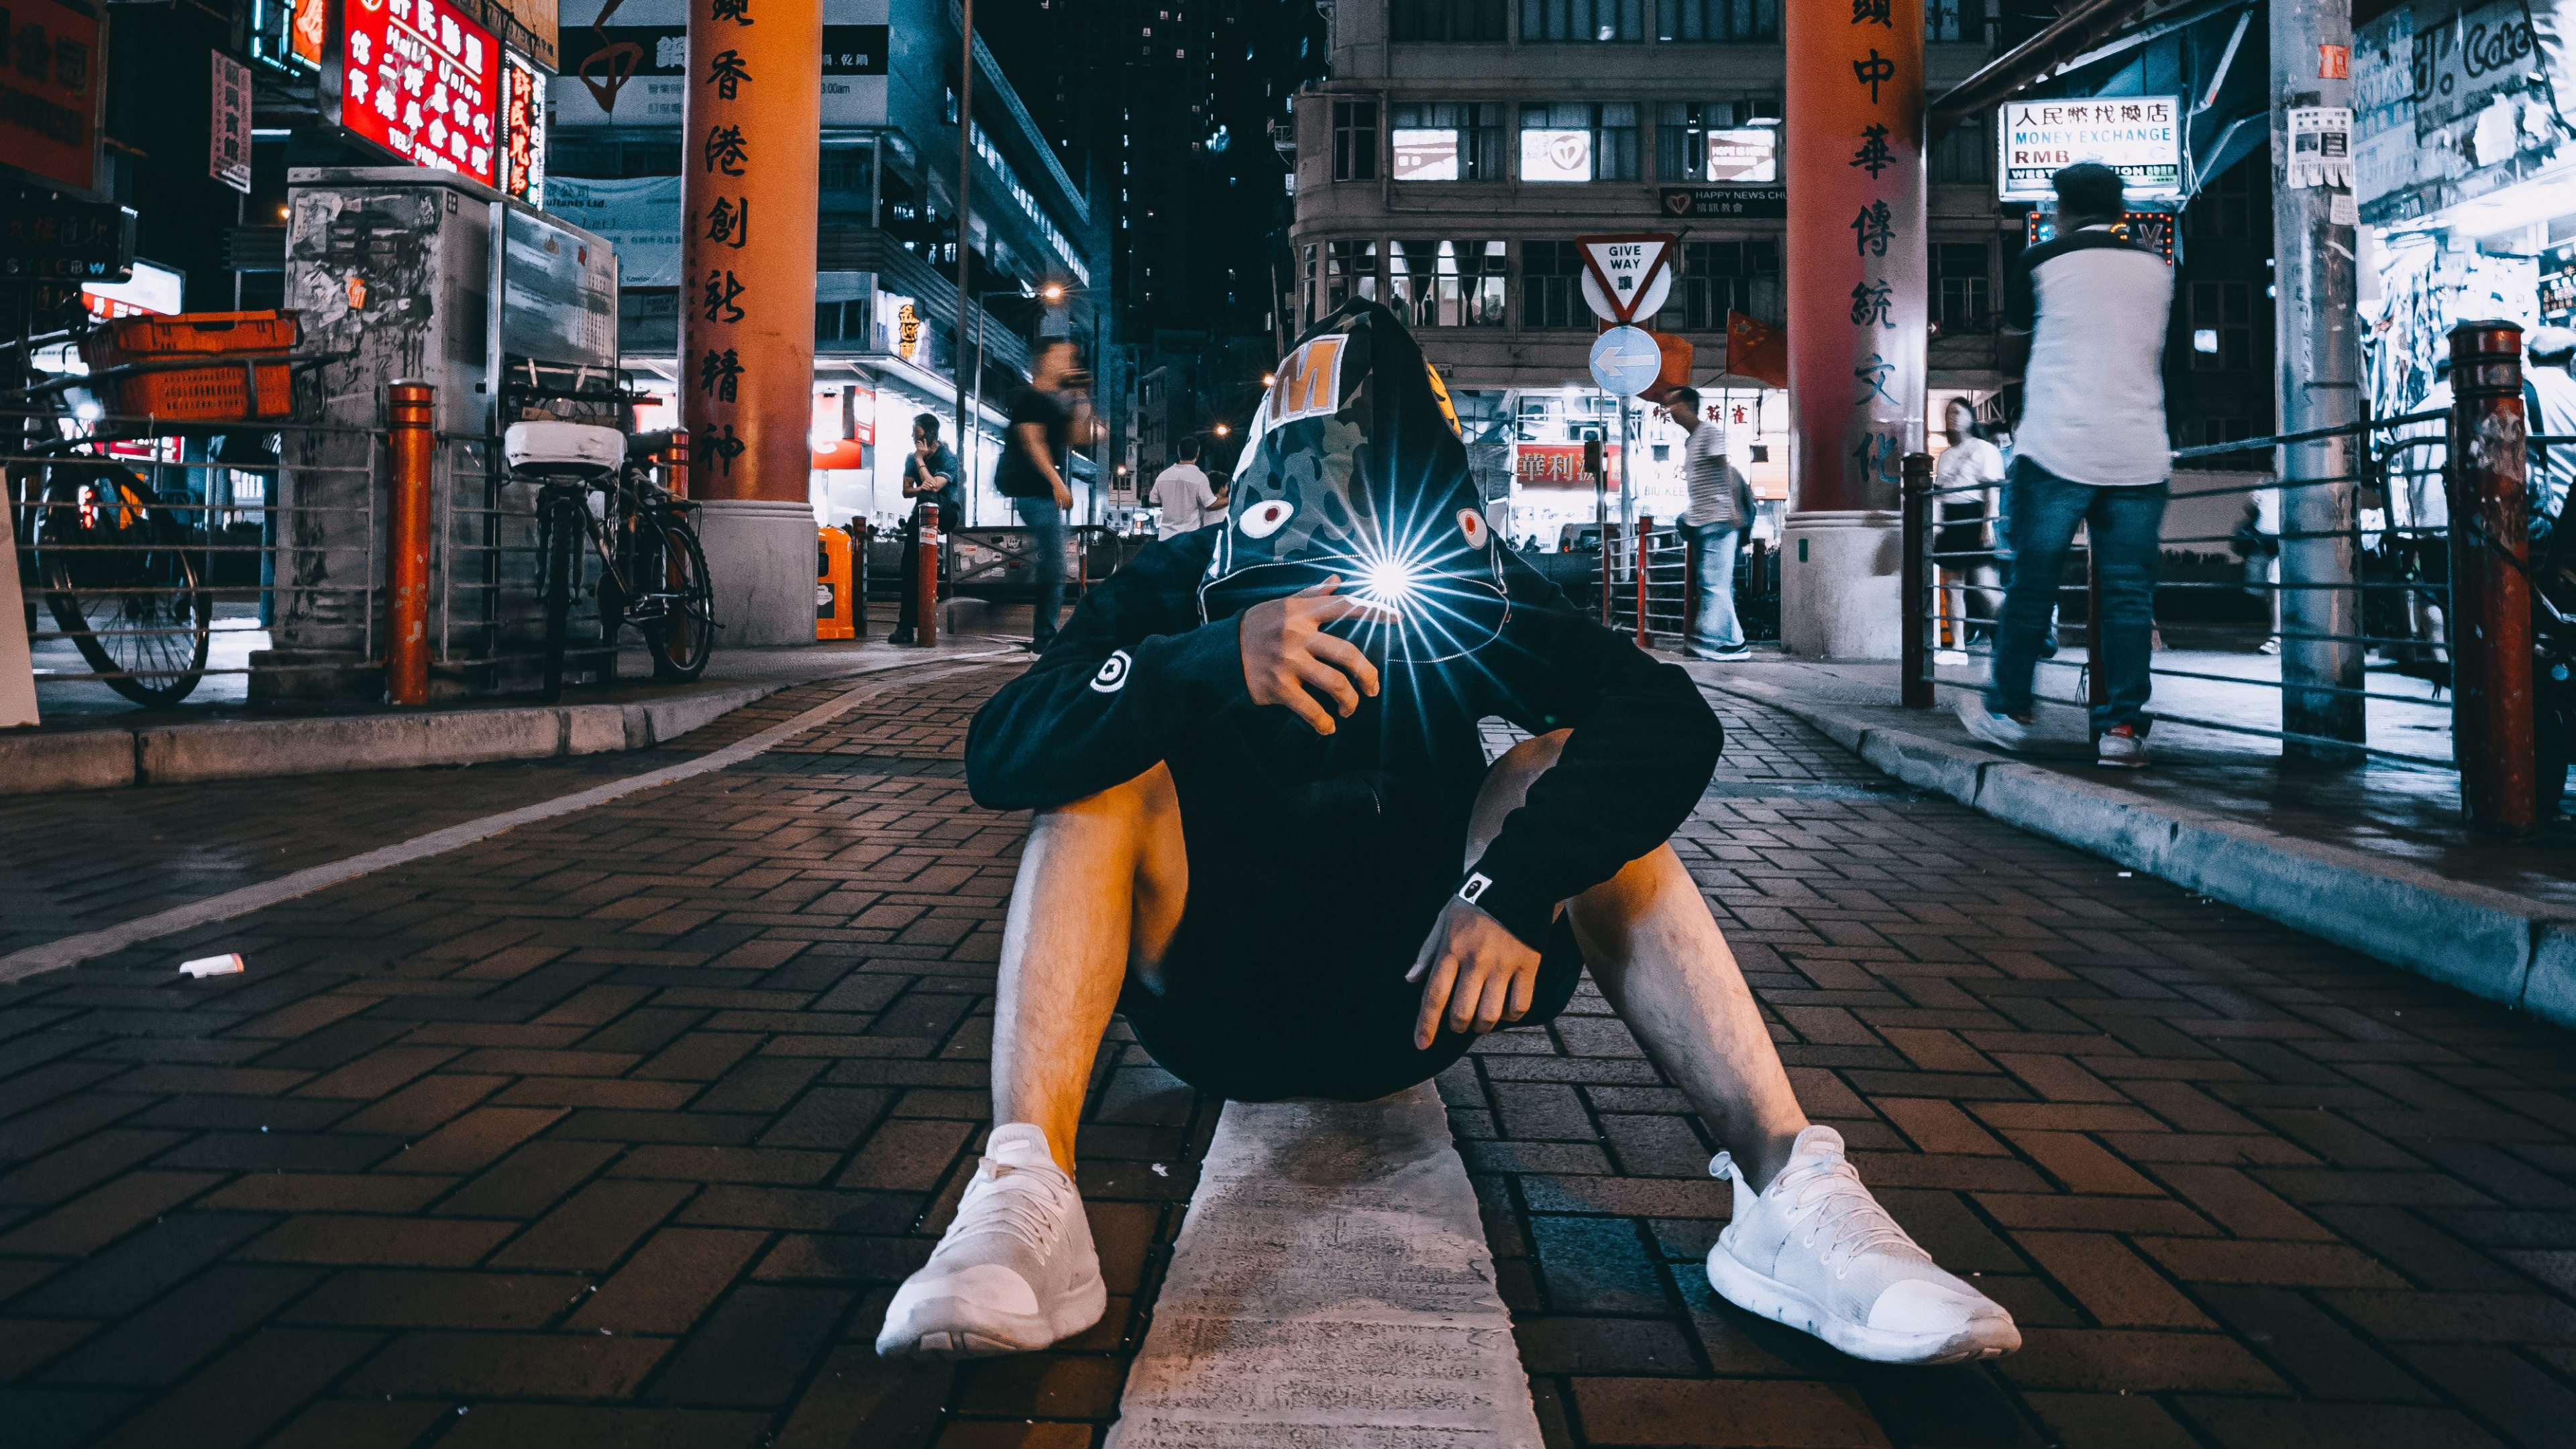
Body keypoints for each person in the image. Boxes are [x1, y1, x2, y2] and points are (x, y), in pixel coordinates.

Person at [874, 300, 2019, 1371]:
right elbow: (999, 749)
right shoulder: (1181, 580)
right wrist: (1205, 661)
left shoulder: (1469, 584)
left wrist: (1515, 886)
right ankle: (1024, 1195)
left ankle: (1786, 1196)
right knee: (1097, 780)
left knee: (1558, 766)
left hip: (1416, 990)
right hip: (1210, 993)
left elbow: (1666, 717)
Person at [1959, 162, 2173, 768]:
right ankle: (2122, 730)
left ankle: (2009, 710)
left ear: (2062, 209)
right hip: (2139, 451)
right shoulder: (2156, 269)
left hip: (2056, 447)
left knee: (2032, 584)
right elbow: (2166, 356)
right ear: (2121, 210)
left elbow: (2012, 346)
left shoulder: (2040, 262)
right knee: (2128, 597)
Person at [995, 340, 1091, 652]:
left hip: (1041, 493)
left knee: (1051, 561)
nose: (1070, 362)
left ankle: (1007, 604)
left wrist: (1081, 397)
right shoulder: (1032, 398)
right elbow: (1032, 442)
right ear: (1044, 361)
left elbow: (1078, 436)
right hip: (1030, 489)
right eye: (1063, 356)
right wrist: (1057, 482)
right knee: (1054, 561)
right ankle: (1043, 636)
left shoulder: (1055, 403)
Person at [1664, 386, 1750, 661]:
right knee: (1713, 583)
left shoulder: (1709, 433)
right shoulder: (1691, 441)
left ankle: (1718, 641)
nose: (1669, 411)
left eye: (1673, 405)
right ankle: (1733, 643)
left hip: (1721, 520)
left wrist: (1735, 510)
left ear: (1689, 406)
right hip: (1706, 522)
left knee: (1714, 585)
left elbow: (1727, 470)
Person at [1931, 398, 2004, 666]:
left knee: (1986, 587)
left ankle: (2025, 630)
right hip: (1952, 521)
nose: (1952, 417)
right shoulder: (1945, 455)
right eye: (1949, 412)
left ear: (1971, 417)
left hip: (1974, 517)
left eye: (1958, 412)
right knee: (1953, 588)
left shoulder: (1984, 449)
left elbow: (1991, 489)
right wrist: (1937, 527)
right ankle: (1958, 648)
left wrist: (1988, 523)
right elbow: (1940, 497)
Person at [890, 415, 962, 646]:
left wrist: (921, 461)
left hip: (947, 512)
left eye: (916, 432)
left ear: (928, 435)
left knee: (928, 497)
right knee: (909, 567)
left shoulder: (947, 458)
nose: (913, 436)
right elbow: (906, 491)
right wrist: (921, 482)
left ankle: (917, 623)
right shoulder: (910, 458)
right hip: (922, 514)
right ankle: (906, 626)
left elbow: (933, 487)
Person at [1150, 436, 1226, 539]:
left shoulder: (1163, 476)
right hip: (1187, 538)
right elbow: (1211, 505)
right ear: (1197, 454)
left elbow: (1153, 501)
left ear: (1179, 453)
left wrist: (1170, 503)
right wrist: (1230, 499)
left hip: (1165, 537)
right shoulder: (1199, 477)